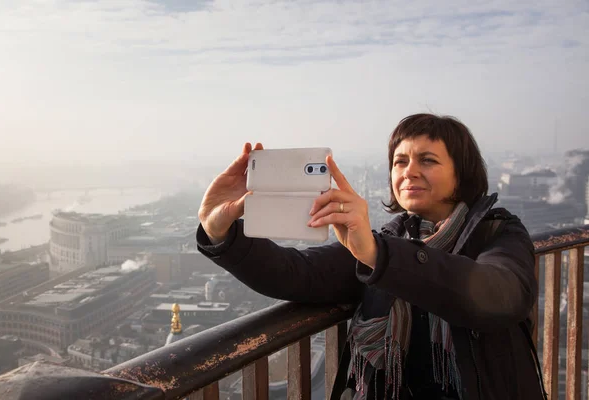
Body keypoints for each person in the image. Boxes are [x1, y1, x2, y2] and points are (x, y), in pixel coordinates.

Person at [195, 113, 545, 400]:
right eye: (399, 161)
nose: (408, 171)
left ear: (462, 173)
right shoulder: (384, 242)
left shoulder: (498, 233)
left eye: (428, 160)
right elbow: (296, 273)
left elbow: (500, 294)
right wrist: (220, 231)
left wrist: (380, 255)